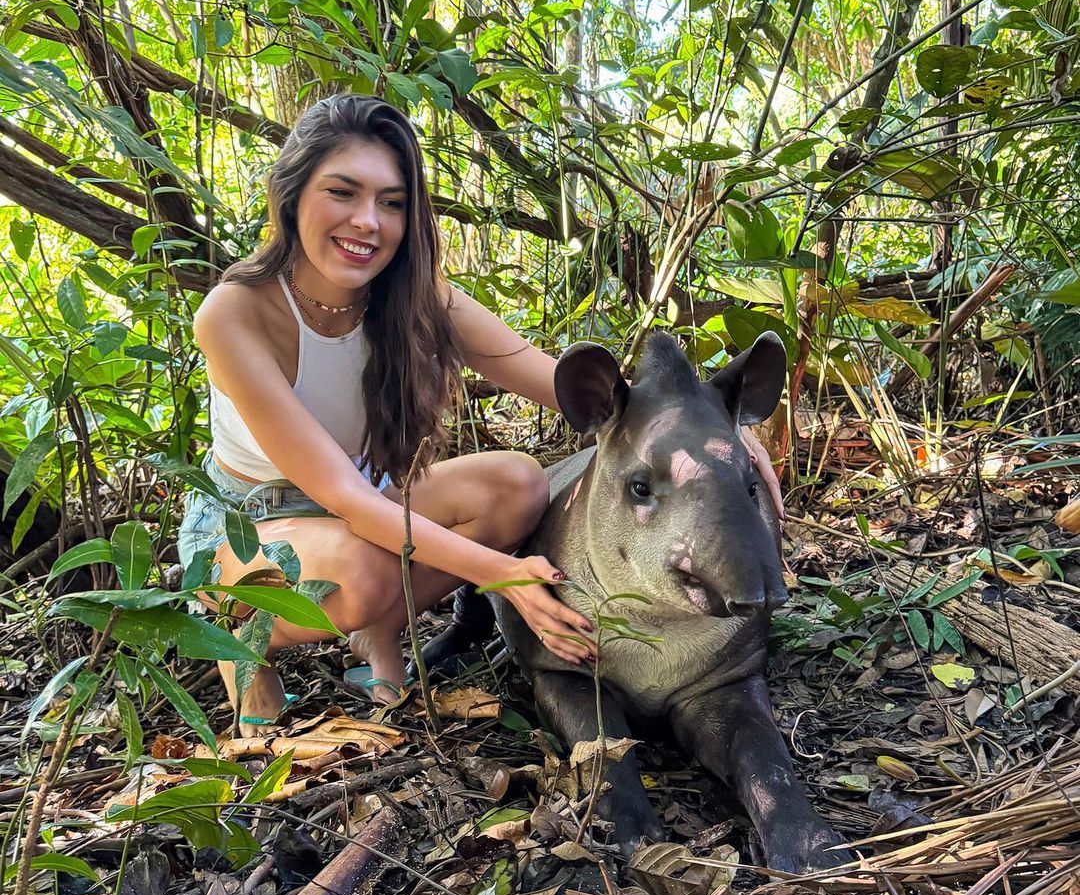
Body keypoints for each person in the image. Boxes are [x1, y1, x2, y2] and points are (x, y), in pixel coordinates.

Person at [177, 95, 784, 734]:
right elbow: (346, 498)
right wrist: (503, 575)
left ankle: (379, 628)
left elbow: (558, 381)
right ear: (290, 194)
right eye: (343, 192)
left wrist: (714, 439)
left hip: (367, 502)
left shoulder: (414, 296)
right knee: (357, 571)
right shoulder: (235, 313)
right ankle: (246, 640)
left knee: (518, 485)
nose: (367, 222)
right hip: (251, 525)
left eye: (392, 203)